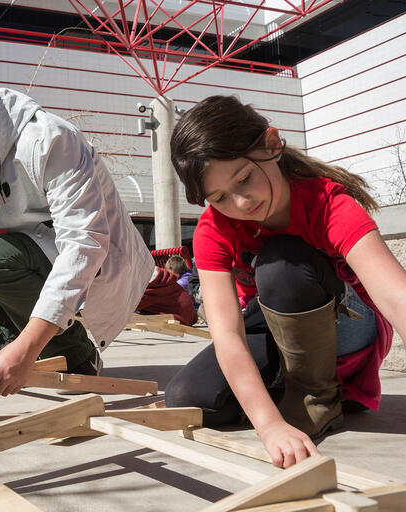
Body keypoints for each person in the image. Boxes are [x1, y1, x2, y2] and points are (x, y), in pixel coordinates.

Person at [165, 95, 406, 469]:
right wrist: (269, 425)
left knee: (280, 264)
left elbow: (396, 297)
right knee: (190, 398)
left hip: (347, 325)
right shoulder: (213, 229)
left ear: (271, 145)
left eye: (244, 178)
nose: (241, 204)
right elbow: (227, 333)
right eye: (219, 197)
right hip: (279, 326)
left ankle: (319, 397)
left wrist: (277, 421)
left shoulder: (328, 204)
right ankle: (309, 390)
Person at [0, 62, 155, 397]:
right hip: (26, 252)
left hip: (90, 265)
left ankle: (74, 355)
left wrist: (29, 347)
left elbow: (83, 244)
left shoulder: (49, 140)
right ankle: (2, 348)